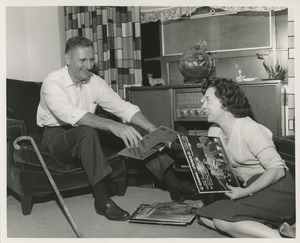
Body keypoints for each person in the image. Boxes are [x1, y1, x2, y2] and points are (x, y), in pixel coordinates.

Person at [37, 36, 197, 221]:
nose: (88, 65)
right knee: (87, 132)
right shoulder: (52, 82)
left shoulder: (94, 81)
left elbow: (122, 107)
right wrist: (114, 126)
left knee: (135, 130)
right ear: (67, 59)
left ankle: (175, 186)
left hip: (86, 129)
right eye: (82, 60)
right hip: (56, 136)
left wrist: (151, 128)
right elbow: (70, 114)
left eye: (91, 59)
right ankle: (102, 201)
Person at [195, 78, 295, 238]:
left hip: (276, 189)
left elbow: (277, 170)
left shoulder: (249, 129)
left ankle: (277, 237)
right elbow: (221, 171)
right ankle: (276, 230)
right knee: (204, 216)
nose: (203, 106)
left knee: (221, 220)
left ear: (225, 103)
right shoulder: (214, 131)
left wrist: (246, 192)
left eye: (208, 100)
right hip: (251, 189)